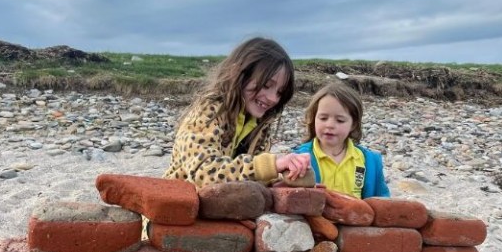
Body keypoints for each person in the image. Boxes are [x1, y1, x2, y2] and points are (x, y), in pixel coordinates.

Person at [163, 37, 313, 186]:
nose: (273, 98)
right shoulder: (209, 111)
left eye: (280, 92)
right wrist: (272, 165)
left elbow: (251, 175)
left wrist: (281, 178)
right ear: (239, 73)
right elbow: (202, 172)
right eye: (266, 85)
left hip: (223, 203)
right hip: (178, 200)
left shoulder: (260, 124)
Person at [288, 82, 390, 198]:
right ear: (313, 118)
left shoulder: (370, 161)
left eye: (340, 120)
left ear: (353, 124)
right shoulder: (300, 158)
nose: (330, 125)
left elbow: (383, 200)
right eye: (323, 118)